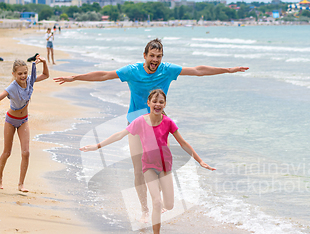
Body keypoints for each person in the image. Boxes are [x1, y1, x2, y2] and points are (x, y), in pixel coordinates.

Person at [55, 38, 247, 221]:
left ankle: (159, 202)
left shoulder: (167, 70)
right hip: (136, 124)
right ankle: (145, 210)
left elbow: (197, 70)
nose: (155, 60)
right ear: (144, 55)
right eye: (152, 55)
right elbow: (105, 75)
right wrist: (75, 77)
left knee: (162, 166)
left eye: (159, 56)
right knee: (139, 170)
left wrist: (228, 70)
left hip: (159, 124)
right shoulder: (132, 71)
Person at [80, 89, 215, 234]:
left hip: (165, 166)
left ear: (164, 104)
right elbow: (119, 134)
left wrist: (200, 161)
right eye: (155, 101)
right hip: (149, 166)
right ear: (148, 103)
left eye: (161, 102)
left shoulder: (168, 122)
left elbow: (183, 143)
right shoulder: (140, 122)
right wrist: (97, 146)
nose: (158, 104)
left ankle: (158, 212)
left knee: (169, 205)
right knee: (156, 202)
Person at [0, 55, 49, 192]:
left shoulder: (30, 81)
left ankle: (21, 184)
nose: (23, 76)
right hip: (11, 120)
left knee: (26, 152)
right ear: (14, 74)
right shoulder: (12, 87)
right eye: (20, 73)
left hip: (24, 121)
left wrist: (44, 62)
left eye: (25, 73)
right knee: (7, 152)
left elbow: (45, 75)